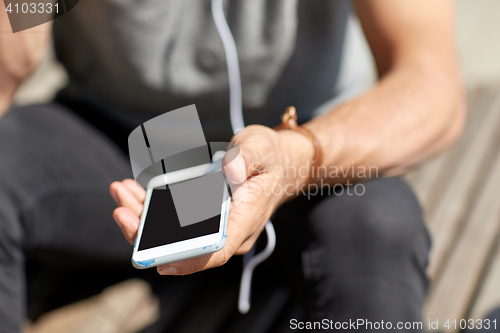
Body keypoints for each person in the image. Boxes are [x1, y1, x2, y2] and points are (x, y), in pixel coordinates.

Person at [0, 0, 465, 332]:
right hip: (122, 136)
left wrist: (297, 157)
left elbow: (430, 82)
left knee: (377, 226)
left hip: (304, 141)